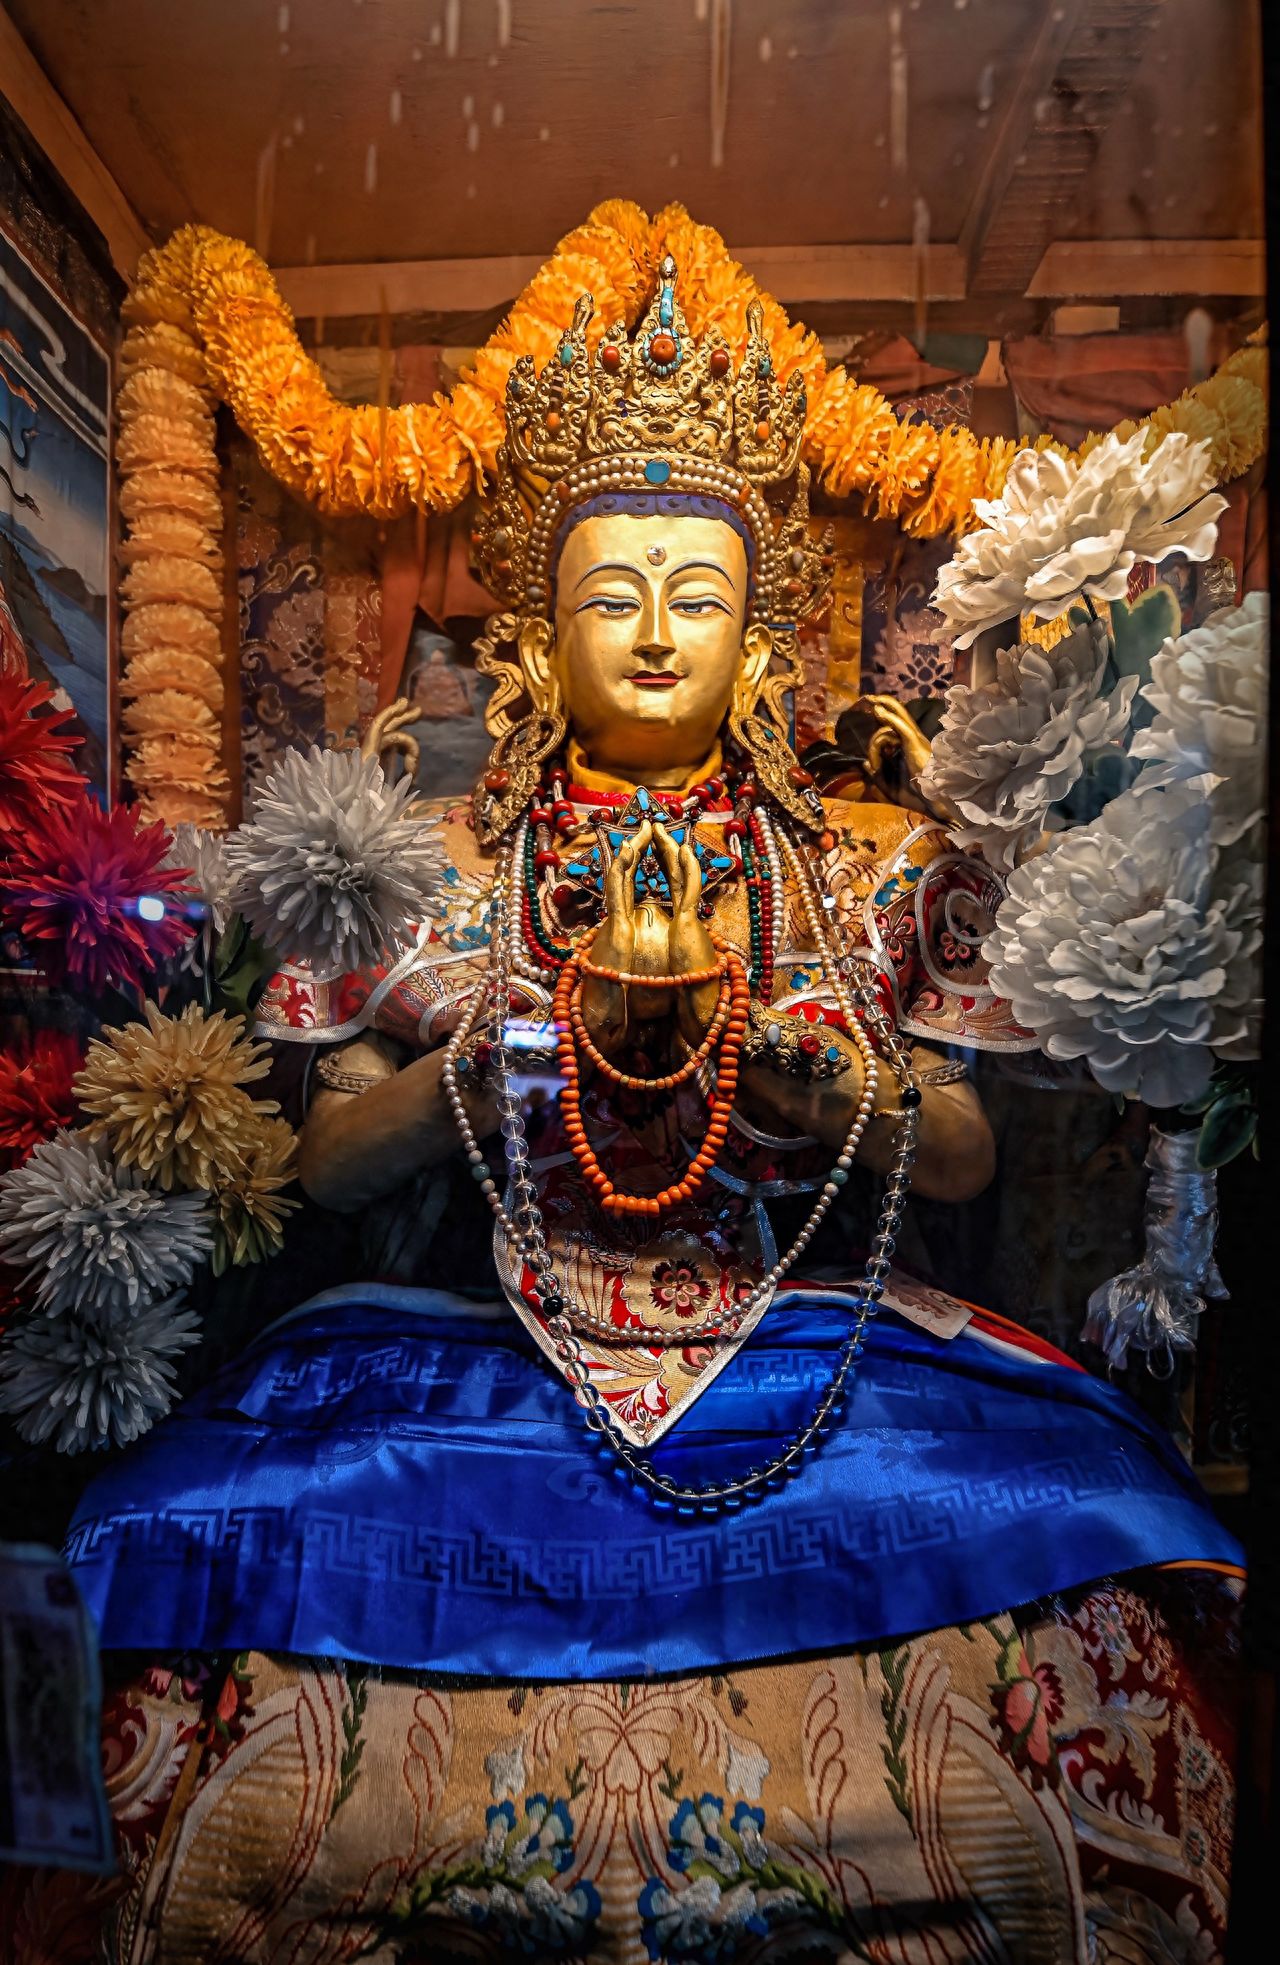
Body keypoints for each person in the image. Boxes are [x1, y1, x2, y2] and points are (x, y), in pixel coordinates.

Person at [61, 262, 1241, 1961]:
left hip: (806, 1327)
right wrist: (475, 1072)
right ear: (538, 627)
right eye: (615, 592)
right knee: (180, 1535)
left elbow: (964, 1147)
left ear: (761, 627)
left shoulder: (856, 868)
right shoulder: (430, 865)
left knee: (1088, 1556)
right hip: (474, 1340)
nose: (662, 627)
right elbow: (324, 1160)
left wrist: (828, 1087)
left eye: (700, 589)